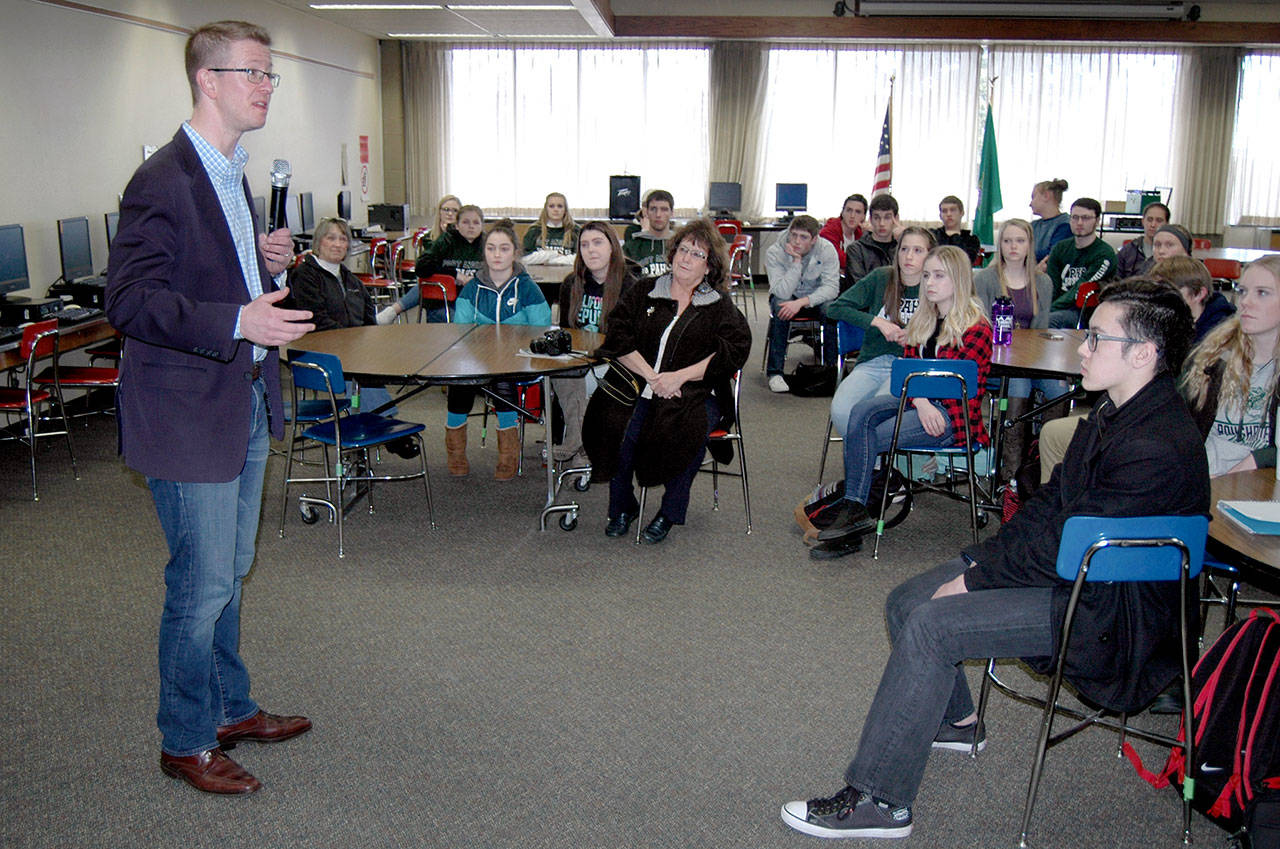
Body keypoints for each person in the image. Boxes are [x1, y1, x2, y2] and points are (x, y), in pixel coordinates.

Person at [782, 278, 1209, 839]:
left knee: (932, 625)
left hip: (1108, 612)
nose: (1081, 348)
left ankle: (880, 801)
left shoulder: (1155, 442)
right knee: (907, 599)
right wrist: (976, 559)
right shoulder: (1115, 413)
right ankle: (957, 722)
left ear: (1143, 354)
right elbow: (1050, 507)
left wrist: (978, 579)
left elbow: (1067, 547)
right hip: (1078, 577)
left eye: (1096, 339)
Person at [104, 20, 314, 796]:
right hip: (187, 411)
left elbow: (203, 268)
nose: (265, 86)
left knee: (231, 570)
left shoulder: (230, 172)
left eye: (269, 74)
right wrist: (238, 318)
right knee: (199, 585)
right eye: (253, 73)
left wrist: (255, 263)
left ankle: (230, 706)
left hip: (241, 400)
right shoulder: (163, 178)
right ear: (208, 80)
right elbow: (127, 300)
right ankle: (185, 737)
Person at [811, 246, 991, 560]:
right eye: (926, 276)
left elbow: (954, 385)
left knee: (873, 437)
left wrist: (921, 396)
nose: (929, 283)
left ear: (959, 280)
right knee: (861, 412)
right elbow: (906, 369)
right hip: (920, 401)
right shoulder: (926, 318)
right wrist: (920, 399)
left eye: (938, 276)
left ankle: (853, 515)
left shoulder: (976, 328)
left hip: (951, 415)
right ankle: (855, 509)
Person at [594, 219, 751, 544]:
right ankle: (622, 506)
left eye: (697, 254)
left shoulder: (718, 305)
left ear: (709, 267)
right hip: (640, 384)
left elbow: (734, 349)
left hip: (695, 391)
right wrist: (653, 377)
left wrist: (678, 376)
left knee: (689, 434)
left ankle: (670, 511)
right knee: (616, 428)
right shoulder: (646, 290)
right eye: (683, 250)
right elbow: (617, 333)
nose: (685, 258)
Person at [444, 222, 551, 480]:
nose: (497, 254)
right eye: (491, 248)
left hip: (516, 362)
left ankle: (507, 456)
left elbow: (541, 330)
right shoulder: (472, 289)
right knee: (458, 384)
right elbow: (461, 331)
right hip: (477, 359)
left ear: (514, 253)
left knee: (503, 381)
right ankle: (455, 453)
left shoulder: (528, 288)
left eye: (504, 249)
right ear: (485, 253)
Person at [974, 218, 1066, 480]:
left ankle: (1046, 466)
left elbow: (1041, 329)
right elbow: (982, 327)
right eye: (1007, 240)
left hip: (1032, 356)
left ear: (1029, 245)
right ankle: (1011, 472)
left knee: (1058, 386)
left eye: (1020, 240)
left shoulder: (1043, 282)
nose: (1013, 246)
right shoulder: (986, 278)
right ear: (1000, 245)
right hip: (997, 360)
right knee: (1019, 383)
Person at [824, 227, 936, 432]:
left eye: (918, 250)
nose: (909, 256)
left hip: (911, 366)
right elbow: (835, 309)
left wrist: (915, 336)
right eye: (904, 249)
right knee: (840, 410)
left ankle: (873, 459)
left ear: (931, 255)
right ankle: (869, 459)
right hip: (873, 362)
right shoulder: (882, 277)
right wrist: (878, 322)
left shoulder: (936, 284)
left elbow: (949, 329)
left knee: (875, 411)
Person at [1181, 256, 1280, 477]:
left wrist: (1259, 458)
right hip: (1201, 477)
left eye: (1262, 293)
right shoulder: (1212, 357)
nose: (1245, 301)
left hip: (1260, 484)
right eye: (1242, 291)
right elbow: (1177, 425)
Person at [552, 221, 637, 465]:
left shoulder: (630, 286)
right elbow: (566, 332)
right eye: (585, 245)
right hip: (580, 360)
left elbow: (630, 341)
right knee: (564, 373)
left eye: (598, 243)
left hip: (616, 363)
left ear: (612, 247)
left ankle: (577, 446)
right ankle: (581, 446)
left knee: (574, 380)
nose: (591, 250)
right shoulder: (572, 284)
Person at [763, 214, 841, 392]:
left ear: (814, 239)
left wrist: (802, 303)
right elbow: (781, 291)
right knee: (781, 306)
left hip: (814, 297)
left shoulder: (827, 250)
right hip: (787, 295)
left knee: (832, 310)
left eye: (803, 237)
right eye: (794, 235)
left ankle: (831, 370)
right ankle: (775, 373)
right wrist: (796, 263)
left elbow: (831, 288)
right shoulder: (775, 251)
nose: (797, 241)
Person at [377, 204, 485, 324]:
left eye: (476, 223)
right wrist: (455, 275)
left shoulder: (487, 244)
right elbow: (422, 266)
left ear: (482, 226)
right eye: (465, 222)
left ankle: (394, 309)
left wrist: (474, 279)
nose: (471, 227)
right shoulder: (446, 240)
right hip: (443, 302)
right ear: (457, 225)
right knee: (457, 322)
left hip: (475, 302)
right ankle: (392, 311)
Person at [1046, 197, 1117, 328]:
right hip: (1057, 306)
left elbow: (1080, 290)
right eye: (1075, 217)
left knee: (1049, 320)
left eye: (1085, 218)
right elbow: (1051, 284)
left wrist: (1048, 310)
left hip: (1084, 310)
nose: (1079, 222)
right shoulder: (1060, 248)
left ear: (1097, 221)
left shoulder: (1104, 254)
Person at [1152, 256, 1235, 344]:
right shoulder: (1162, 322)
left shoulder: (1221, 336)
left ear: (1198, 294)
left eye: (1170, 292)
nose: (1159, 298)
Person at [845, 193, 900, 284]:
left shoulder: (902, 249)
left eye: (887, 217)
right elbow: (858, 287)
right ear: (870, 219)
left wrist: (905, 239)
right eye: (876, 217)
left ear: (896, 219)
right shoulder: (857, 249)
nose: (881, 223)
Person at [623, 189, 675, 279]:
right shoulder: (631, 247)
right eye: (653, 209)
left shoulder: (679, 246)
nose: (658, 214)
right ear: (646, 212)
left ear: (672, 213)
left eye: (664, 209)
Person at [1114, 201, 1169, 279]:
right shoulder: (1128, 250)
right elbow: (1115, 280)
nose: (1153, 225)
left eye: (1159, 220)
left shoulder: (1169, 253)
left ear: (1167, 224)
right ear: (1143, 221)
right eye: (1149, 220)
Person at [819, 193, 868, 273]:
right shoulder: (829, 231)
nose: (852, 215)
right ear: (842, 212)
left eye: (858, 212)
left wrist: (869, 236)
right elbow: (835, 257)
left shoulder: (861, 234)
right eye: (849, 210)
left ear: (864, 216)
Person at [523, 191, 580, 256]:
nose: (556, 209)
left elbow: (579, 258)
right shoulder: (534, 230)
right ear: (546, 209)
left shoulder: (576, 231)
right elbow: (524, 257)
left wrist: (547, 259)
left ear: (565, 210)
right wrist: (554, 255)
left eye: (560, 206)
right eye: (551, 206)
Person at [1029, 178, 1071, 264]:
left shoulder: (1066, 225)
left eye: (1033, 197)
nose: (1030, 204)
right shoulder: (1032, 225)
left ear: (1046, 196)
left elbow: (1054, 255)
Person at [931, 195, 981, 264]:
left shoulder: (972, 240)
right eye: (944, 211)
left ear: (962, 213)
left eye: (953, 210)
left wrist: (955, 236)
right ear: (940, 216)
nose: (948, 214)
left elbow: (966, 262)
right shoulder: (932, 236)